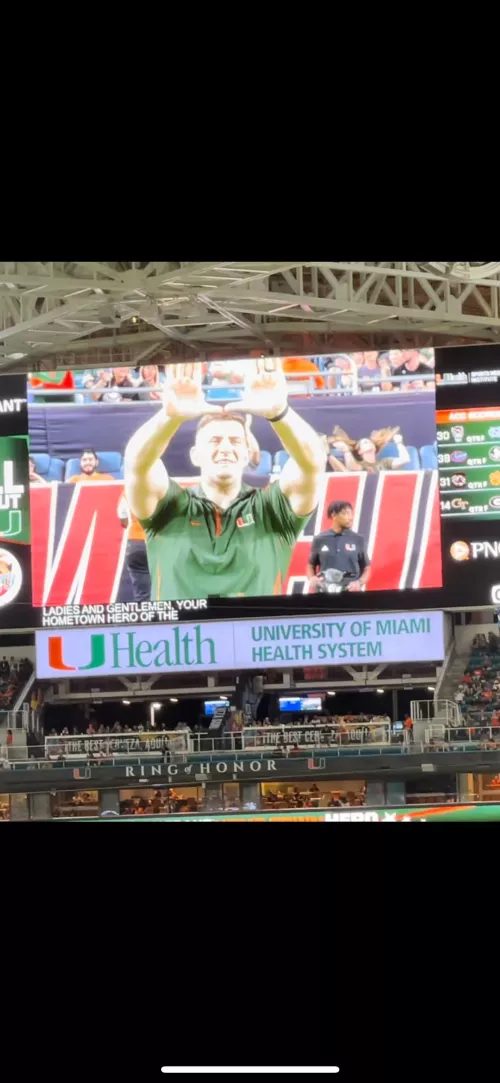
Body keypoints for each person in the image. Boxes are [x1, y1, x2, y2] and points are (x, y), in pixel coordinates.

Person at [124, 359, 325, 600]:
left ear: (247, 454)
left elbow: (312, 464)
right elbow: (137, 464)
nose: (226, 448)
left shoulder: (272, 510)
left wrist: (280, 413)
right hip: (180, 626)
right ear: (195, 455)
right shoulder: (169, 507)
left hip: (255, 625)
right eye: (215, 440)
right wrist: (169, 417)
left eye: (236, 441)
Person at [307, 500, 371, 593]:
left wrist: (359, 583)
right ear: (334, 515)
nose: (350, 517)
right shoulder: (319, 539)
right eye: (345, 513)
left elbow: (366, 568)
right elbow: (310, 565)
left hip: (351, 594)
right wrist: (312, 578)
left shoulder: (358, 539)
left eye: (351, 513)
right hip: (325, 593)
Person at [117, 492, 151, 602]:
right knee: (166, 589)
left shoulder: (127, 492)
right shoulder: (164, 488)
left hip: (135, 543)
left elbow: (123, 521)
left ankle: (144, 611)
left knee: (143, 595)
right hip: (156, 541)